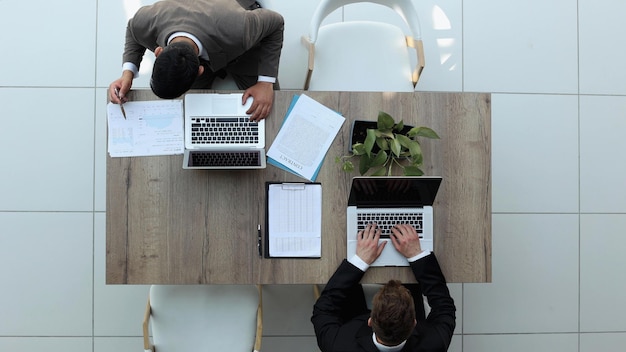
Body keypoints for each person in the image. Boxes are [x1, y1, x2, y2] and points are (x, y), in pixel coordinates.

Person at [108, 0, 284, 121]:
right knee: (188, 114)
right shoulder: (145, 21)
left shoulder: (240, 28)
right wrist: (127, 74)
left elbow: (276, 23)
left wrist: (265, 83)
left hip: (236, 39)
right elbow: (132, 30)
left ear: (201, 69)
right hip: (195, 20)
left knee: (268, 107)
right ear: (159, 51)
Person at [312, 224, 456, 351]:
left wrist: (360, 261)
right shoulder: (435, 344)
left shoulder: (339, 345)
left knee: (346, 293)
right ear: (413, 323)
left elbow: (323, 309)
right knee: (409, 279)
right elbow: (444, 307)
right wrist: (416, 257)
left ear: (369, 321)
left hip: (354, 324)